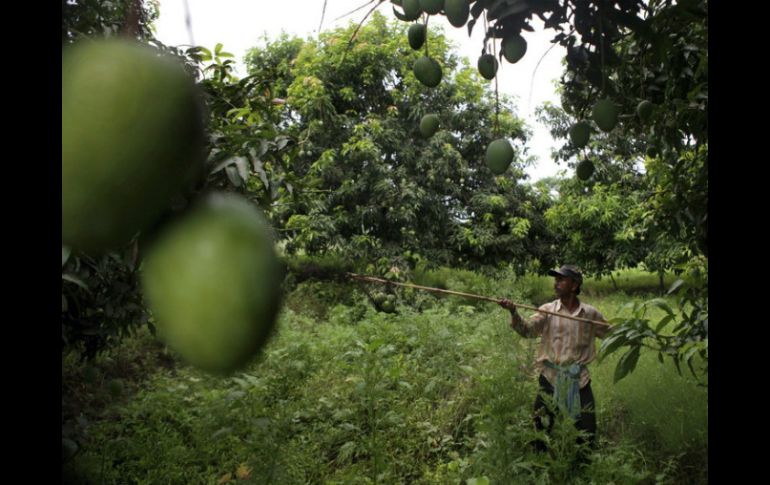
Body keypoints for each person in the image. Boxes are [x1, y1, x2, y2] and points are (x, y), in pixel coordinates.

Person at [498, 265, 612, 459]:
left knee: (586, 431)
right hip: (550, 378)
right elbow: (528, 331)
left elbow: (611, 333)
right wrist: (514, 312)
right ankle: (540, 464)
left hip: (579, 380)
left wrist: (633, 333)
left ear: (575, 285)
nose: (556, 283)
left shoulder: (590, 314)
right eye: (556, 279)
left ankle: (582, 468)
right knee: (540, 428)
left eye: (562, 279)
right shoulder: (547, 310)